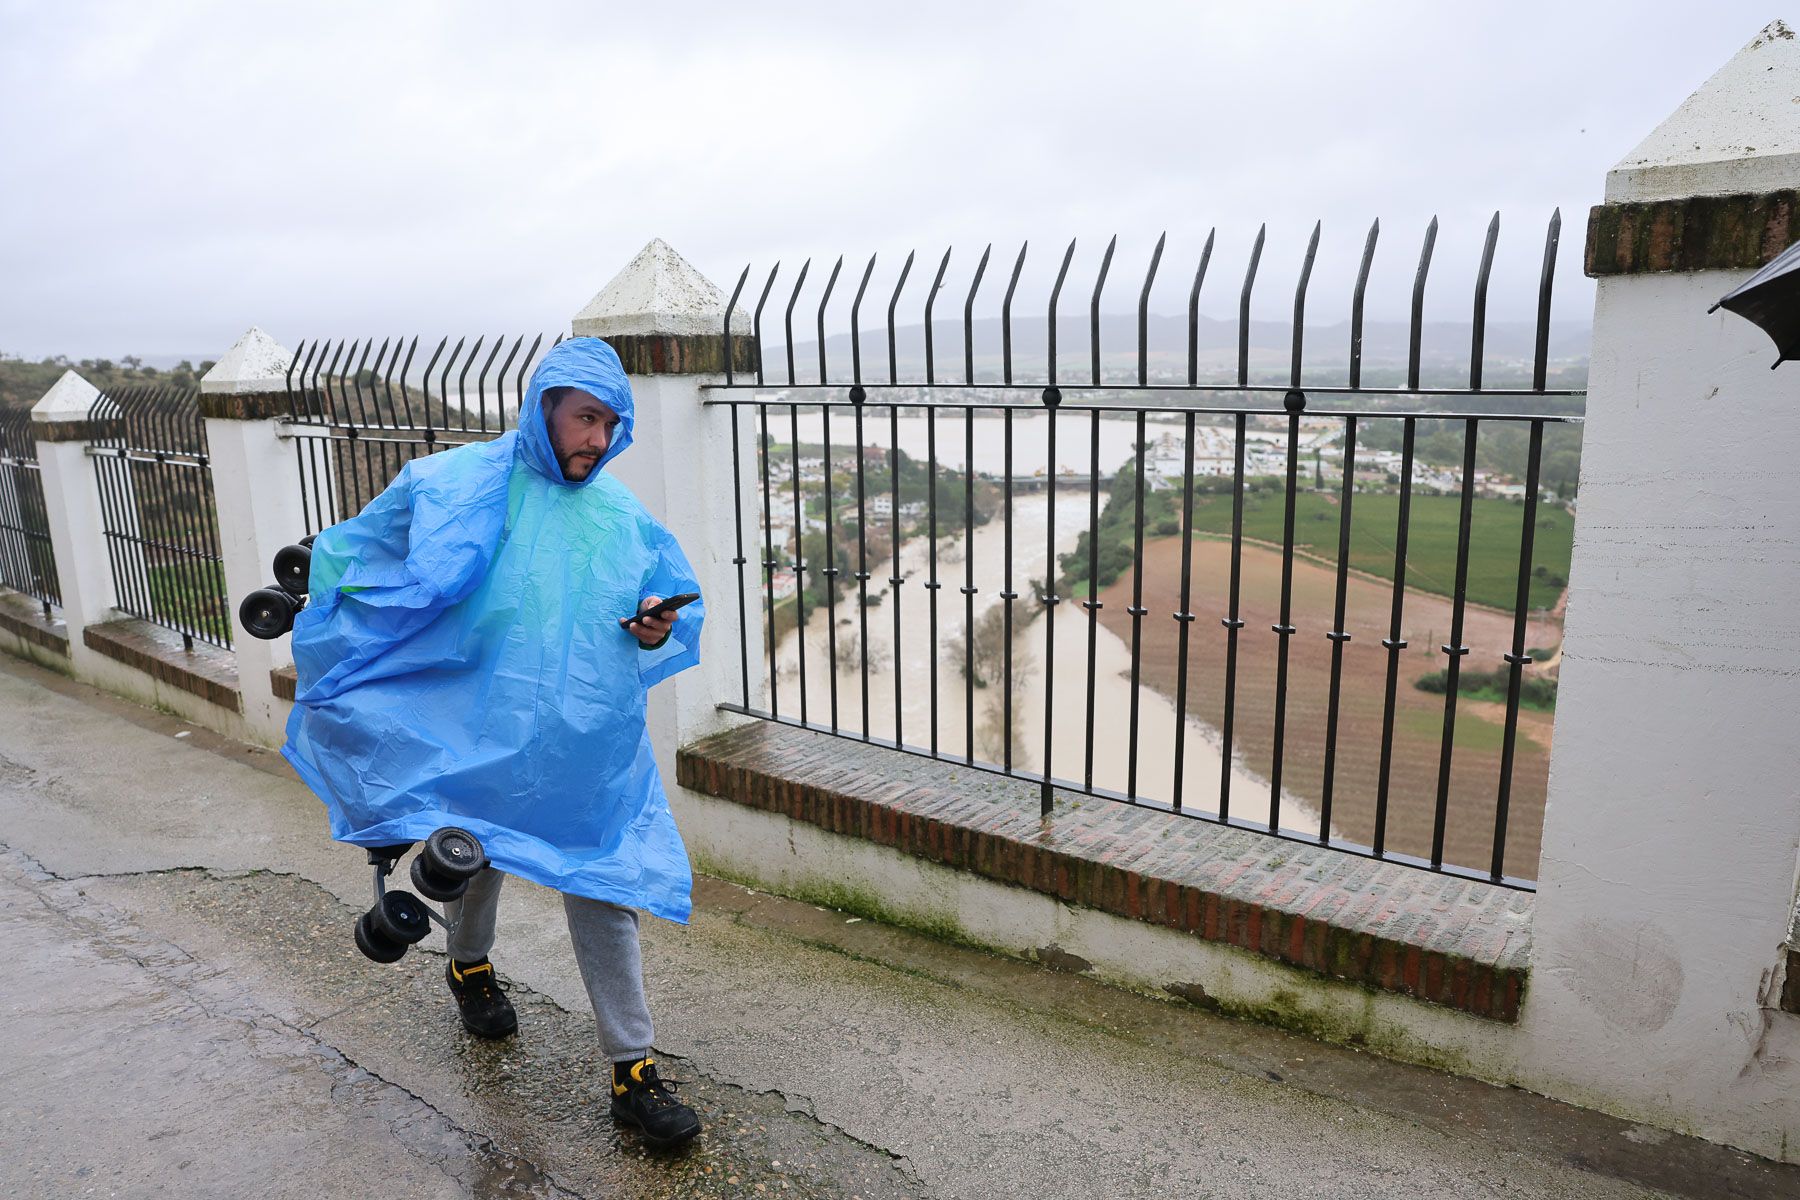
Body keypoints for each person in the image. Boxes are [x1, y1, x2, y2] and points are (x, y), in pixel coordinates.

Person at [282, 337, 706, 1149]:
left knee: (606, 885)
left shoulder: (622, 519)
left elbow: (666, 604)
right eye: (585, 417)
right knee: (476, 864)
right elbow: (367, 548)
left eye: (610, 423)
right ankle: (468, 965)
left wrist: (656, 624)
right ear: (543, 406)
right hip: (479, 729)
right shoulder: (458, 482)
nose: (596, 437)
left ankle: (633, 1070)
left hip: (587, 742)